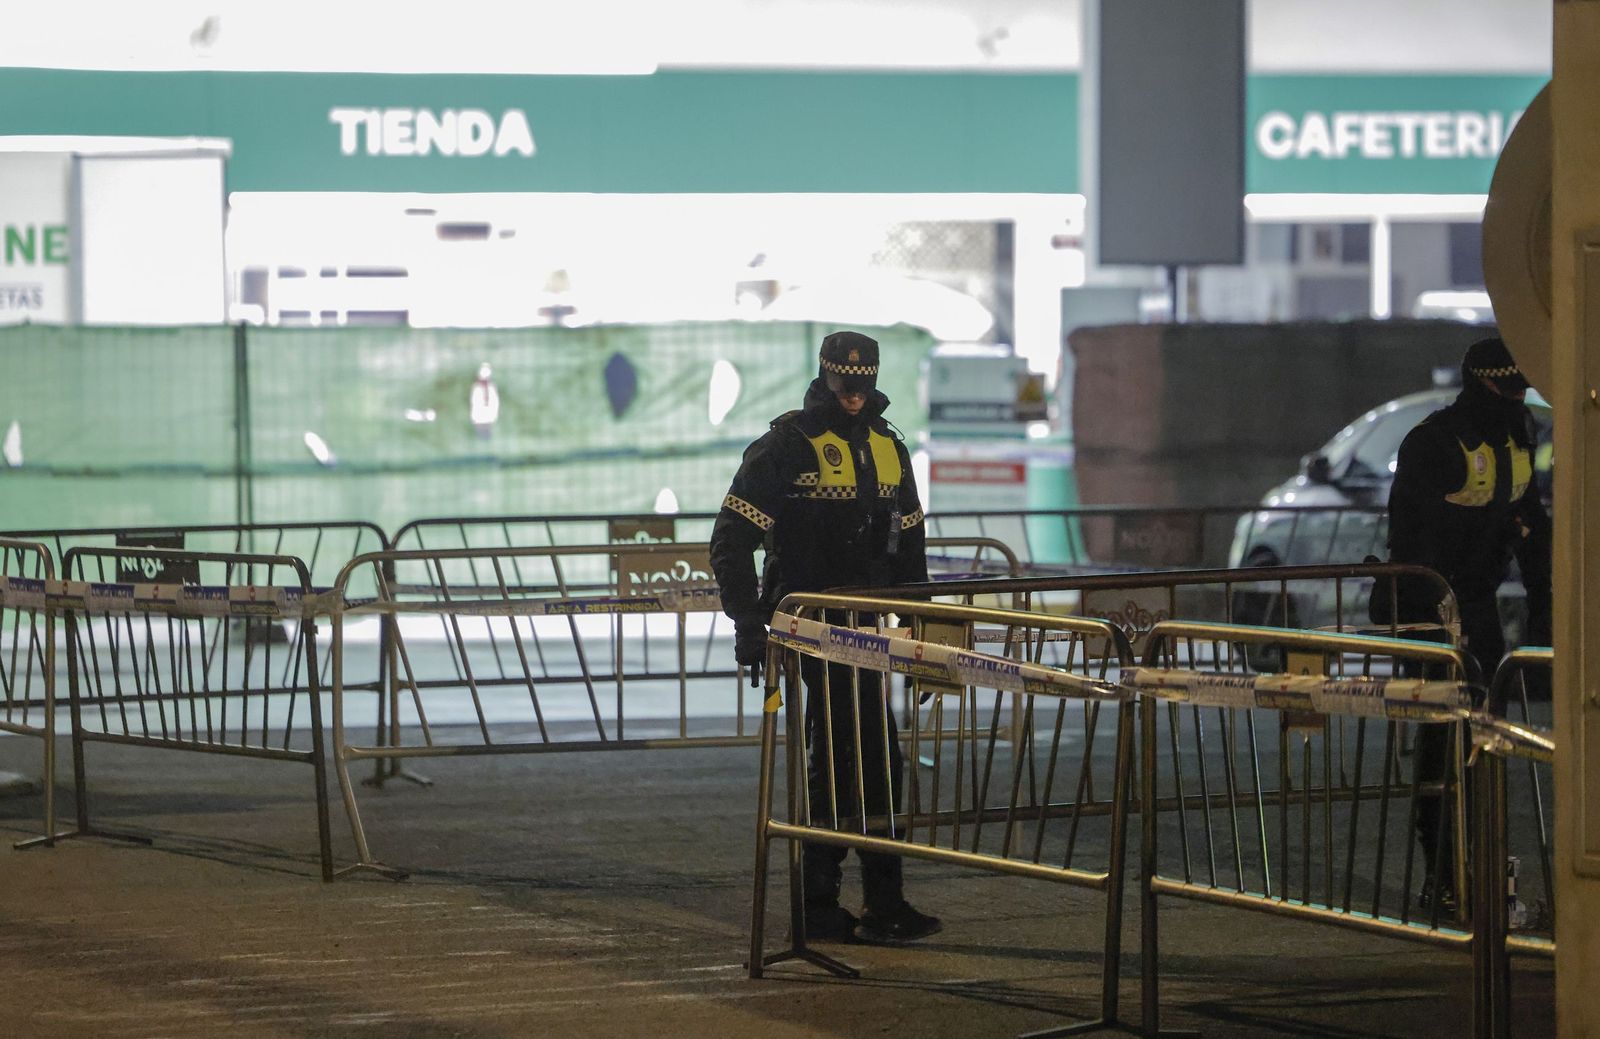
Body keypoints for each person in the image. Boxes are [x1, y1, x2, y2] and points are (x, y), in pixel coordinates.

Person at [710, 329, 941, 945]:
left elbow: (910, 551)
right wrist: (750, 621)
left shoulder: (890, 448)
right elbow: (731, 539)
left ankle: (882, 901)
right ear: (825, 377)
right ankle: (823, 902)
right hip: (813, 629)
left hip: (869, 630)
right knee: (840, 757)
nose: (855, 400)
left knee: (878, 761)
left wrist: (924, 637)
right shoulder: (785, 445)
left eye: (863, 388)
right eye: (845, 388)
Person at [1380, 335, 1552, 912]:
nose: (1517, 400)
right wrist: (1428, 616)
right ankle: (1444, 874)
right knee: (1440, 746)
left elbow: (1530, 521)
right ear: (1483, 382)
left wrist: (1543, 606)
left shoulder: (1518, 435)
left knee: (1484, 741)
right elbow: (1408, 544)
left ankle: (1477, 866)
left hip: (1476, 606)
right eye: (1509, 388)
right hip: (1429, 611)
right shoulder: (1431, 442)